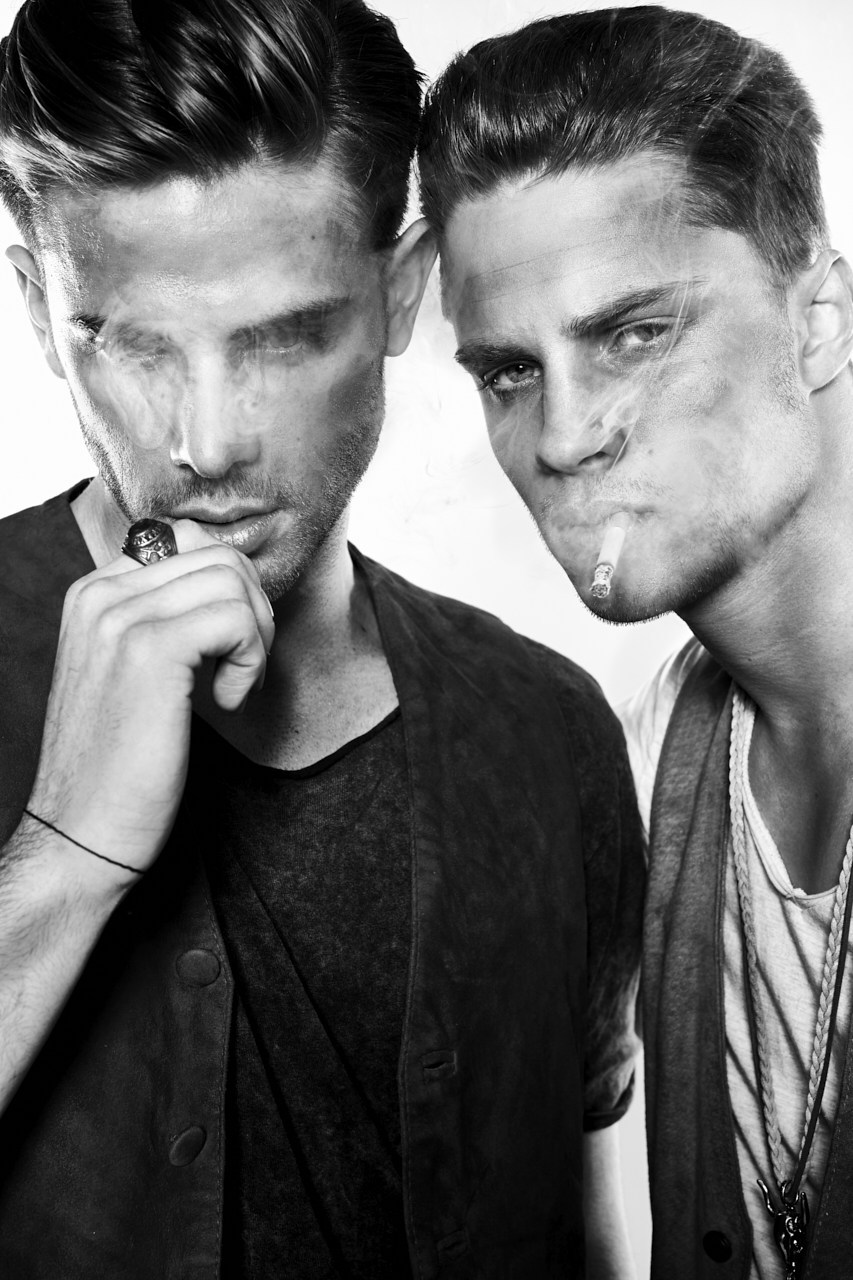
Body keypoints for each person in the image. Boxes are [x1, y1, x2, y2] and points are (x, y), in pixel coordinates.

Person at [0, 1, 645, 1276]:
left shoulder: (549, 729)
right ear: (36, 303)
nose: (205, 443)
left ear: (400, 292)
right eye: (130, 342)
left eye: (283, 338)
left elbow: (585, 1229)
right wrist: (63, 856)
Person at [418, 6, 853, 1277]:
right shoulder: (660, 745)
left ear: (817, 314)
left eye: (633, 333)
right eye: (508, 371)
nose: (563, 437)